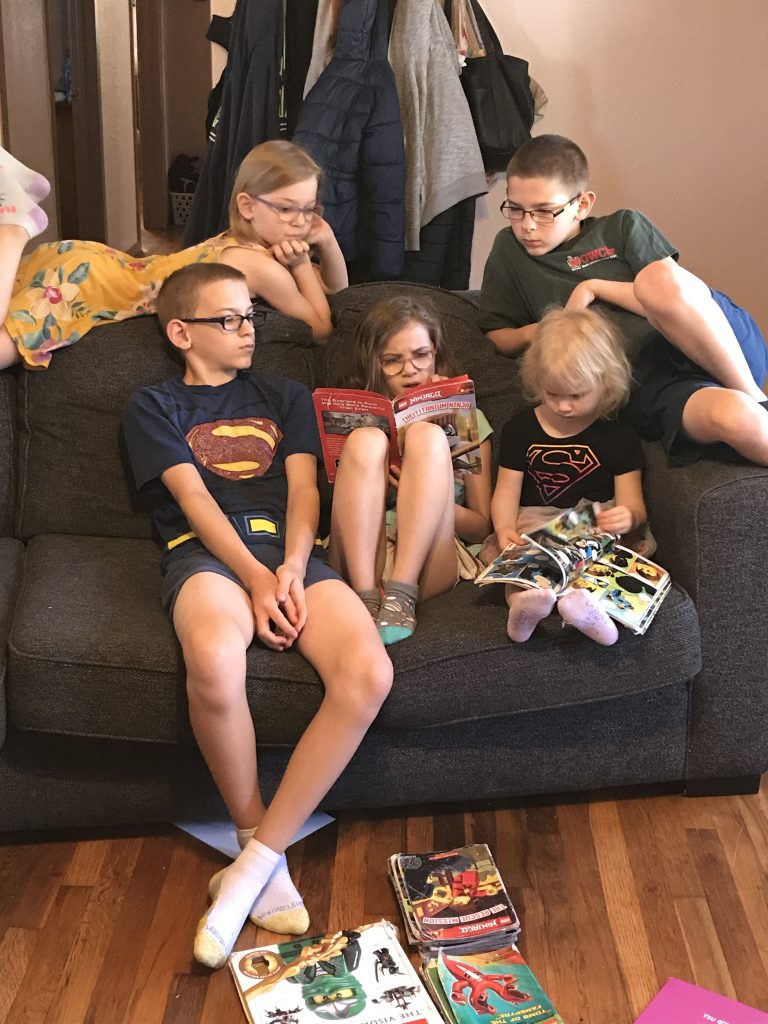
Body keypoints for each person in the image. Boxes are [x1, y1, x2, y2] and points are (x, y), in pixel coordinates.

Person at [121, 262, 392, 969]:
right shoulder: (153, 406)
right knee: (213, 656)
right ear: (182, 332)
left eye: (252, 317)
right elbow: (195, 503)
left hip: (292, 557)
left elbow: (305, 492)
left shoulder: (286, 392)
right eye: (230, 320)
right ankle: (252, 838)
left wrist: (294, 568)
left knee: (369, 672)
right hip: (206, 557)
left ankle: (251, 866)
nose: (249, 330)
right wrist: (254, 577)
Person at [478, 134, 768, 466]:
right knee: (738, 420)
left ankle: (755, 396)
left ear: (582, 205)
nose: (527, 226)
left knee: (653, 279)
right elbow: (498, 337)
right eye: (515, 209)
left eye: (545, 212)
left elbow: (667, 296)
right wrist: (552, 326)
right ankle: (755, 408)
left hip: (719, 340)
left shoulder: (624, 226)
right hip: (652, 383)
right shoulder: (509, 251)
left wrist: (594, 288)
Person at [0, 140, 347, 371]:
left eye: (309, 210)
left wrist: (327, 241)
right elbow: (320, 329)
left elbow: (334, 290)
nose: (301, 222)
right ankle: (15, 229)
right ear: (247, 206)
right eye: (287, 209)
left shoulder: (247, 245)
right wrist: (302, 263)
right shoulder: (255, 265)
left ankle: (12, 189)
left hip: (92, 264)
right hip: (88, 285)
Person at [328, 295, 493, 645]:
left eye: (421, 355)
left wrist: (420, 493)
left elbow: (480, 528)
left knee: (428, 435)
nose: (410, 369)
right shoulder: (360, 418)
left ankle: (400, 596)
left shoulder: (468, 420)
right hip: (361, 556)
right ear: (373, 363)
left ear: (436, 353)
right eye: (392, 360)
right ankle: (364, 597)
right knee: (366, 440)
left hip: (428, 562)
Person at [488, 307, 652, 646]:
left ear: (605, 383)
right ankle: (522, 608)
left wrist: (628, 516)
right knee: (521, 568)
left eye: (576, 395)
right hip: (535, 523)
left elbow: (633, 503)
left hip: (595, 524)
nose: (563, 406)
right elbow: (506, 491)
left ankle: (594, 616)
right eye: (552, 394)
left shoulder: (619, 436)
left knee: (611, 563)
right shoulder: (520, 429)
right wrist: (504, 528)